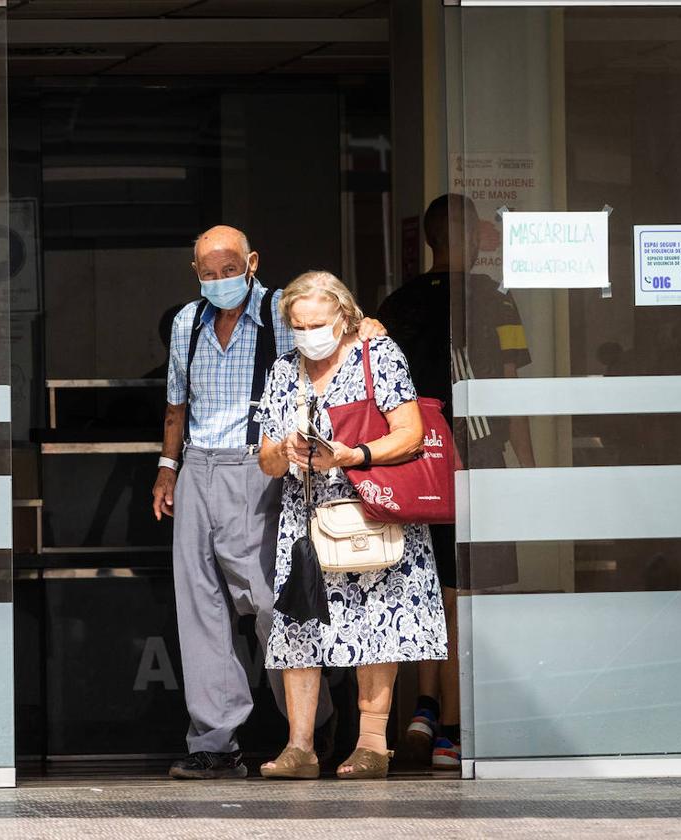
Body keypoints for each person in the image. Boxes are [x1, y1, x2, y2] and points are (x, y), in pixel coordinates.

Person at [153, 226, 385, 780]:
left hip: (260, 465)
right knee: (200, 608)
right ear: (196, 274)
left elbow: (335, 340)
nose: (219, 280)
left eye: (229, 268)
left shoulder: (283, 315)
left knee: (268, 604)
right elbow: (176, 404)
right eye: (208, 272)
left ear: (251, 262)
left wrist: (370, 330)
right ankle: (214, 740)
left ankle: (312, 721)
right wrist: (167, 468)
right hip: (198, 466)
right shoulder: (188, 323)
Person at [256, 270, 447, 781]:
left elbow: (410, 434)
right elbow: (267, 463)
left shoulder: (376, 356)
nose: (308, 333)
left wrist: (351, 454)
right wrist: (282, 449)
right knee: (299, 623)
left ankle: (370, 744)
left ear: (344, 316)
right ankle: (300, 748)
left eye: (317, 322)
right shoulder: (282, 371)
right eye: (297, 325)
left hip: (372, 506)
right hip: (307, 514)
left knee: (377, 620)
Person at [377, 194, 534, 769]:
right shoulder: (494, 301)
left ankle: (423, 705)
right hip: (478, 454)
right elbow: (509, 389)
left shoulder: (395, 307)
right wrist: (527, 466)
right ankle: (453, 728)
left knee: (433, 587)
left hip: (414, 463)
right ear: (466, 236)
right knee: (467, 595)